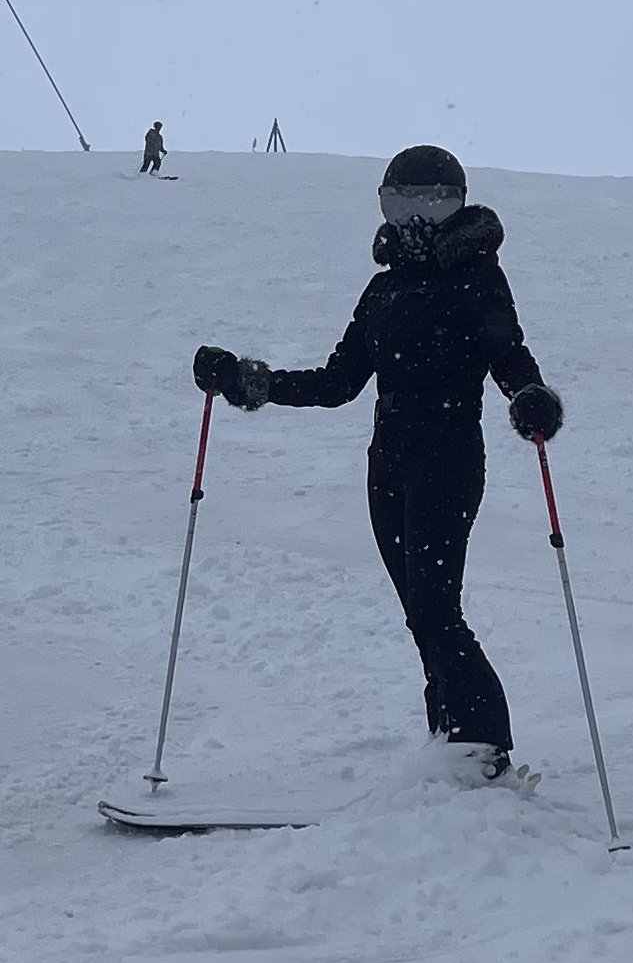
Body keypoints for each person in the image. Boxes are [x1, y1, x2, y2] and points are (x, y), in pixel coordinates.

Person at [192, 145, 562, 779]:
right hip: (387, 465)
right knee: (419, 608)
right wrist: (245, 382)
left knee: (435, 607)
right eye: (401, 202)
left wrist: (529, 395)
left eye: (432, 202)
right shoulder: (384, 289)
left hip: (447, 456)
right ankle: (448, 736)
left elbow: (508, 350)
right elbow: (338, 382)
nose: (415, 217)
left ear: (456, 207)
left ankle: (481, 742)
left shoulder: (477, 277)